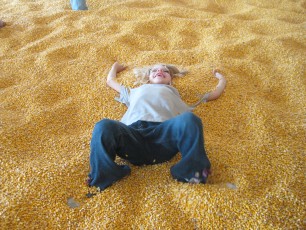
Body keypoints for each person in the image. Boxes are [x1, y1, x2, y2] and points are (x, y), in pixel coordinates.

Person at [87, 62, 227, 191]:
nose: (159, 71)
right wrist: (115, 67)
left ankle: (191, 172)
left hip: (164, 138)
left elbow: (214, 94)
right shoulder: (134, 91)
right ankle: (104, 175)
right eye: (154, 70)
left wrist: (221, 78)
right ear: (148, 77)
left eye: (164, 70)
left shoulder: (176, 95)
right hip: (132, 137)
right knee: (103, 126)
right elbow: (110, 81)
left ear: (170, 79)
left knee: (190, 120)